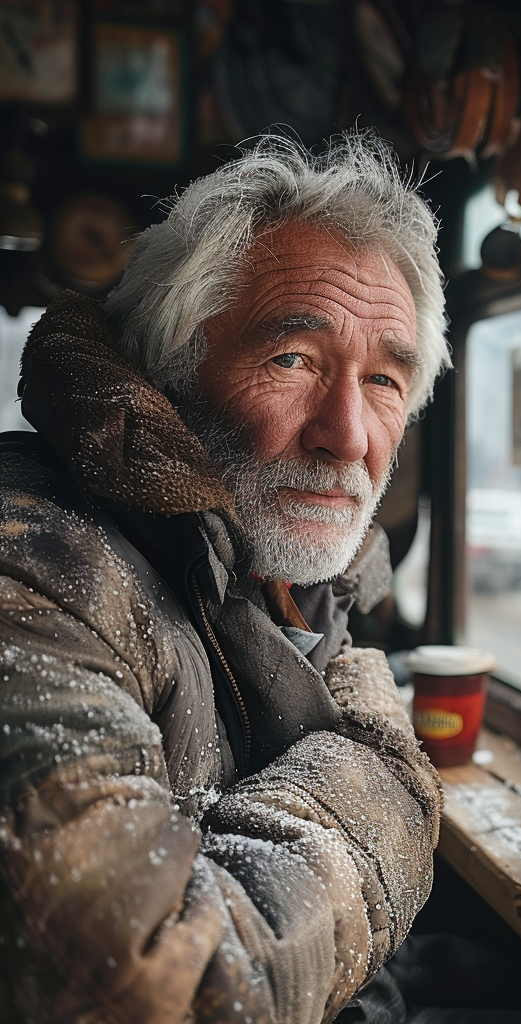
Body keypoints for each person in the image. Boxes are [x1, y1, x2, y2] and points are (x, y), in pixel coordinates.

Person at [0, 131, 450, 1023]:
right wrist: (386, 774)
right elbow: (162, 990)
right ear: (167, 376)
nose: (349, 435)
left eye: (386, 382)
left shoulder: (283, 571)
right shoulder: (35, 567)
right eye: (294, 360)